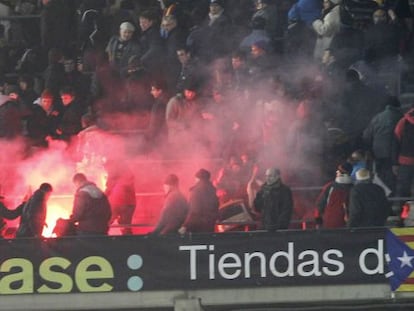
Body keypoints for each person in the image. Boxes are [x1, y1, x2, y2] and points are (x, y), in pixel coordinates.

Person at [179, 168, 219, 233]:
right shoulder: (212, 190)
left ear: (198, 178)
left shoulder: (196, 191)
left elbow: (194, 211)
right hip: (210, 225)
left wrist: (185, 226)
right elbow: (216, 206)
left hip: (198, 227)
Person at [314, 162, 353, 228]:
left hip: (329, 223)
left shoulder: (330, 187)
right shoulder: (353, 188)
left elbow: (320, 205)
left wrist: (318, 221)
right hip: (347, 225)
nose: (337, 171)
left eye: (339, 170)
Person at [104, 159, 136, 235]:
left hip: (118, 203)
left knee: (106, 222)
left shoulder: (113, 174)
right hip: (130, 204)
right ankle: (128, 242)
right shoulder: (128, 174)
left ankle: (101, 240)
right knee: (126, 225)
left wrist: (101, 198)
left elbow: (109, 189)